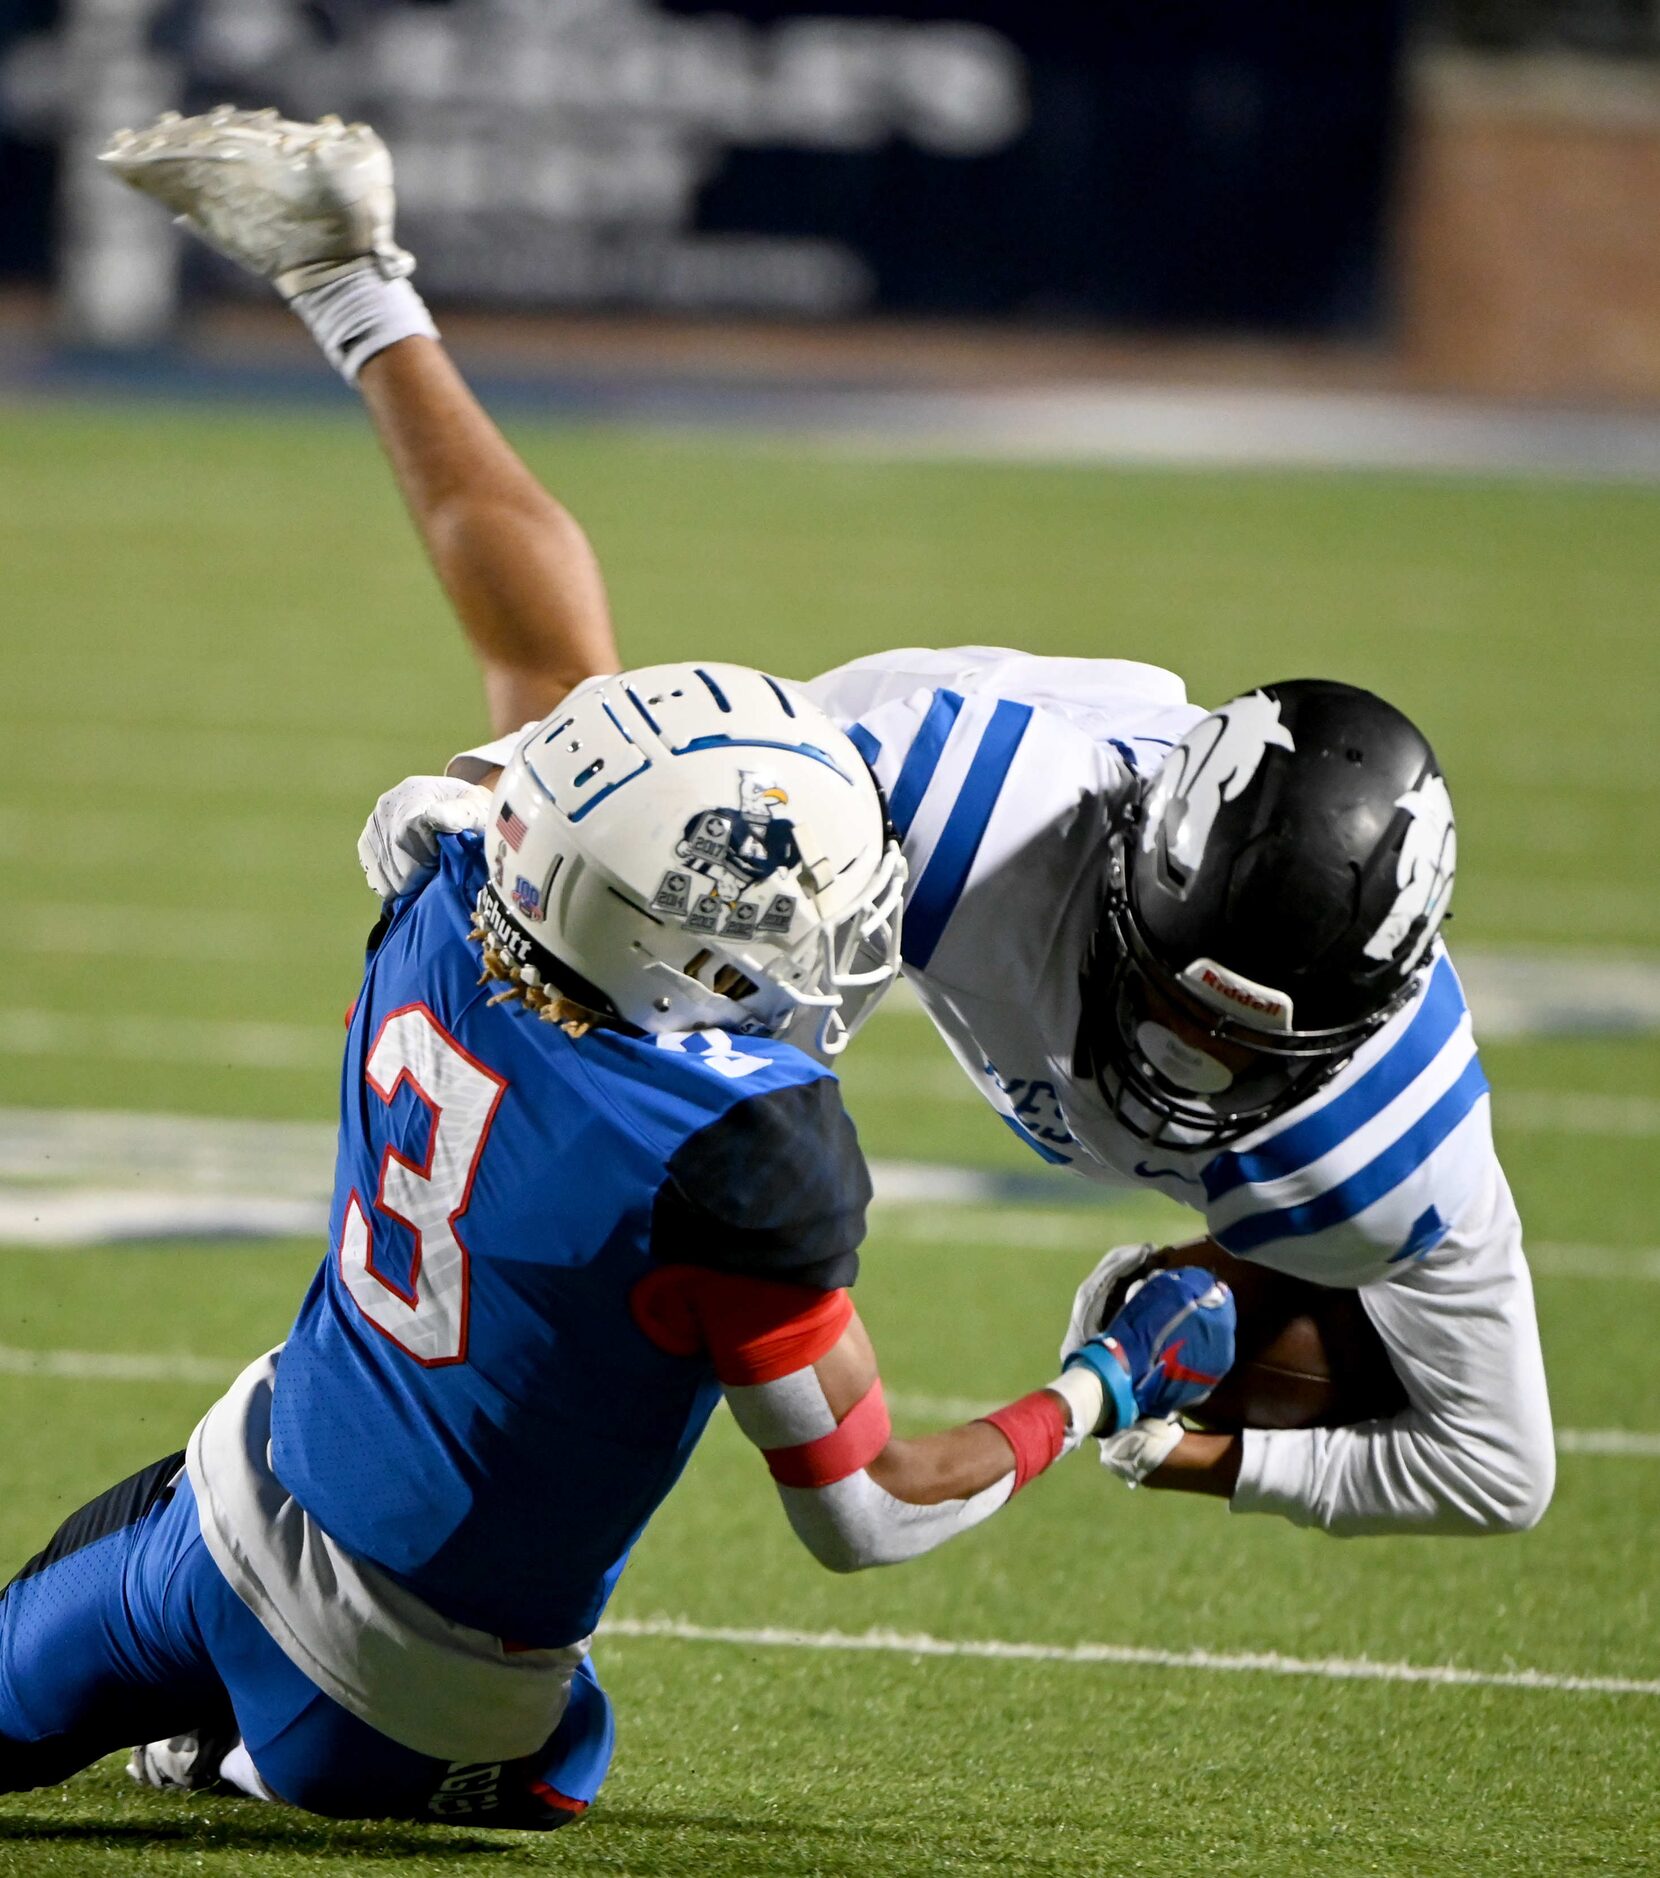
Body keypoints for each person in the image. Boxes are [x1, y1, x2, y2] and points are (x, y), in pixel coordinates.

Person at [102, 106, 1553, 1543]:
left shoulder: (1387, 1152)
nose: (1182, 1063)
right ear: (1119, 863)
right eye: (1176, 998)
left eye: (1246, 1047)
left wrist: (1189, 1451)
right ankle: (346, 271)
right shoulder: (976, 787)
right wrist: (499, 785)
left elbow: (1501, 1469)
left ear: (1362, 1020)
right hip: (931, 851)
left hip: (1063, 985)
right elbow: (658, 759)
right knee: (573, 731)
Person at [0, 643, 1236, 1824]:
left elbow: (529, 743)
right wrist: (1105, 1386)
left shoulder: (443, 873)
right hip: (419, 1708)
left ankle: (215, 1725)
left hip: (217, 1524)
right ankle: (252, 1753)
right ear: (681, 953)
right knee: (560, 1757)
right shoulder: (736, 1151)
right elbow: (871, 1511)